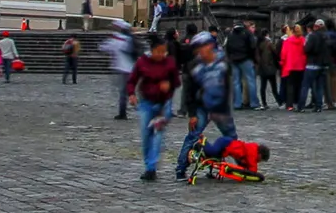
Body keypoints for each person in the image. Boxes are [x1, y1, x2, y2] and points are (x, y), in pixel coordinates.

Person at [173, 32, 236, 183]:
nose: (199, 51)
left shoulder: (223, 62)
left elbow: (227, 85)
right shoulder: (193, 67)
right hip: (202, 107)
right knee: (192, 137)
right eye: (197, 49)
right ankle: (181, 169)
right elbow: (189, 93)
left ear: (210, 46)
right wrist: (193, 114)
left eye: (202, 47)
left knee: (232, 139)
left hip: (220, 107)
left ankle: (240, 166)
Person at [128, 34, 181, 183]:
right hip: (146, 102)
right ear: (152, 50)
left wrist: (169, 85)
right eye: (158, 51)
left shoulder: (169, 63)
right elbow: (132, 80)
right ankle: (148, 164)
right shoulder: (142, 62)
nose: (161, 54)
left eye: (163, 51)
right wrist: (131, 94)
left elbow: (176, 81)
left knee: (157, 134)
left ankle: (151, 168)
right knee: (146, 135)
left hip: (164, 103)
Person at [101, 20, 140, 120]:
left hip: (122, 68)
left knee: (123, 92)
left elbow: (103, 48)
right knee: (128, 91)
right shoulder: (128, 39)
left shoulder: (116, 39)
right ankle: (138, 107)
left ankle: (124, 112)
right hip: (131, 68)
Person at [225, 22, 258, 109]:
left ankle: (237, 104)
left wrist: (230, 58)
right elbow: (253, 46)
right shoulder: (247, 33)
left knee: (236, 82)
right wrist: (252, 58)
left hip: (234, 60)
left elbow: (227, 47)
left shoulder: (230, 34)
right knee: (251, 81)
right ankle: (254, 103)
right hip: (246, 59)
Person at [277, 24, 307, 111]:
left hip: (290, 65)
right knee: (300, 85)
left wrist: (282, 62)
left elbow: (283, 54)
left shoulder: (288, 41)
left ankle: (289, 104)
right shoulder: (303, 40)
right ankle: (299, 103)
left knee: (290, 86)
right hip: (301, 65)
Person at [302, 21, 330, 111]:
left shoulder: (313, 36)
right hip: (323, 64)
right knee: (320, 86)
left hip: (312, 63)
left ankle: (300, 106)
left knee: (305, 86)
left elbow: (307, 49)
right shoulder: (326, 37)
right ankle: (318, 106)